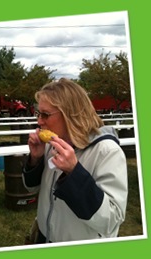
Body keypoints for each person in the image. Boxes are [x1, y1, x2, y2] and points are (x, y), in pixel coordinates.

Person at [22, 78, 127, 243]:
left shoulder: (107, 152)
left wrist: (74, 172)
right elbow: (32, 188)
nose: (39, 121)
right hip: (44, 236)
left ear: (70, 115)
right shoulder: (52, 145)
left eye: (45, 114)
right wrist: (35, 159)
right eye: (38, 113)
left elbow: (112, 220)